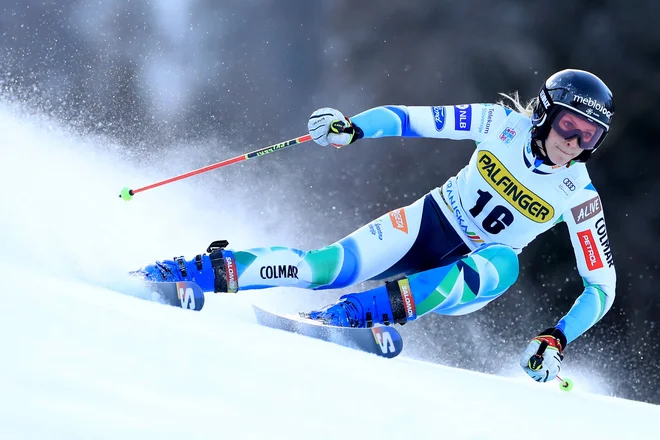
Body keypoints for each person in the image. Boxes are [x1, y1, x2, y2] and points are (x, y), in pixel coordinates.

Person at [134, 69, 616, 384]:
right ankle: (197, 271)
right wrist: (353, 128)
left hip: (471, 275)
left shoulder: (580, 194)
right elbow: (409, 119)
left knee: (504, 260)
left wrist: (557, 336)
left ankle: (354, 315)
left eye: (590, 135)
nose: (575, 142)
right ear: (546, 114)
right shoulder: (500, 124)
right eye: (570, 125)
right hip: (430, 221)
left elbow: (601, 288)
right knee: (326, 266)